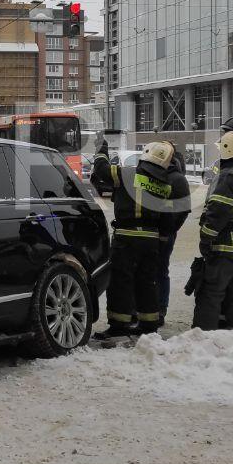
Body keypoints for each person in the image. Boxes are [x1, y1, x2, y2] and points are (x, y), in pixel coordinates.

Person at [91, 140, 180, 338]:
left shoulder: (128, 173)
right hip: (151, 240)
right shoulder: (163, 184)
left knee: (121, 282)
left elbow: (101, 170)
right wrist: (163, 240)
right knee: (146, 282)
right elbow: (167, 218)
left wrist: (101, 149)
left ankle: (119, 325)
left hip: (126, 238)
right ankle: (149, 325)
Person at [192, 130, 233, 330]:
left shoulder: (228, 176)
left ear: (227, 150)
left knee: (210, 294)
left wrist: (206, 239)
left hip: (224, 247)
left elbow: (218, 212)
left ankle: (203, 338)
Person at [156, 144, 192, 318]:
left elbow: (183, 210)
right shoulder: (155, 174)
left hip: (164, 234)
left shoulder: (176, 179)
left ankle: (160, 310)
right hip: (153, 233)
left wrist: (168, 232)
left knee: (160, 270)